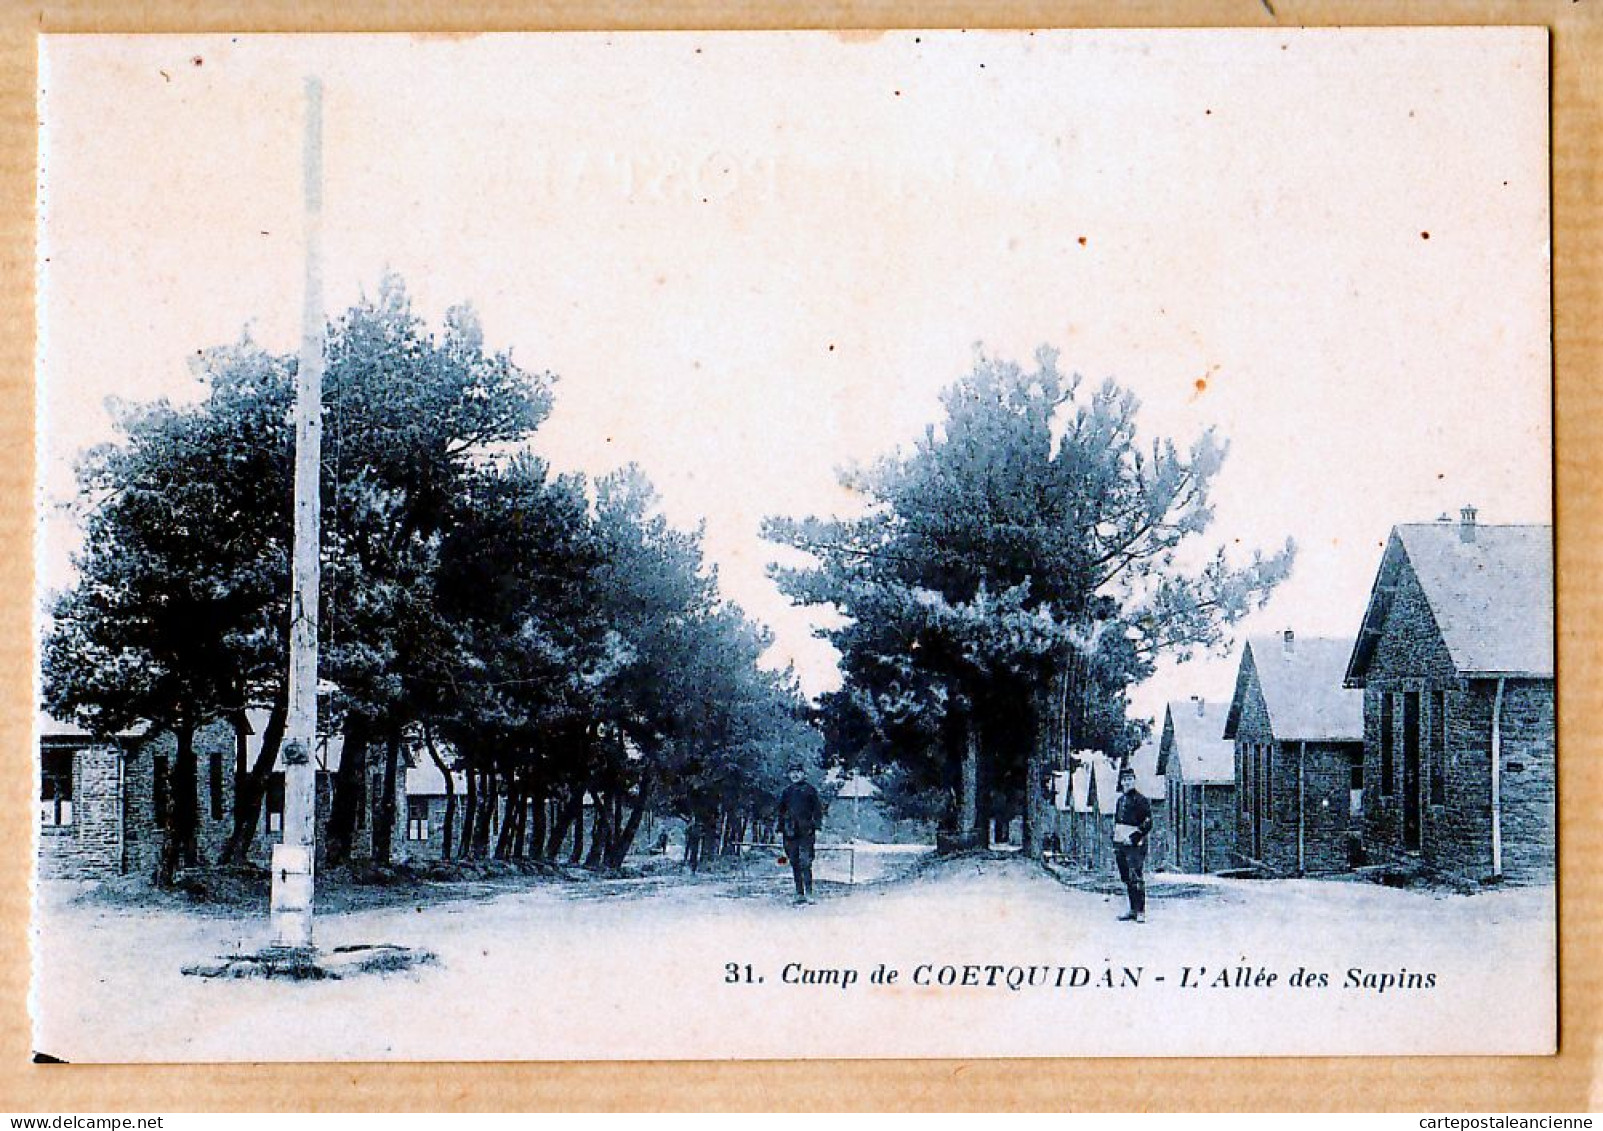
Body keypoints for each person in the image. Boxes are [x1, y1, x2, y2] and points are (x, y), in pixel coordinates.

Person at [776, 761, 823, 904]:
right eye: (792, 772)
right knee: (794, 862)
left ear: (803, 774)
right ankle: (799, 893)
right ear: (789, 775)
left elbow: (818, 811)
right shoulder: (787, 792)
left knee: (806, 862)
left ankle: (809, 893)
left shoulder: (810, 791)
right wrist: (779, 829)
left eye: (798, 772)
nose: (795, 775)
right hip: (790, 832)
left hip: (806, 831)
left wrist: (818, 828)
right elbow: (781, 811)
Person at [1112, 764, 1153, 923]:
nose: (1127, 782)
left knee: (1136, 875)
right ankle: (1132, 909)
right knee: (1126, 877)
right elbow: (1117, 821)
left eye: (1130, 779)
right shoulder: (1120, 800)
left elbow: (1148, 822)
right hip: (1121, 842)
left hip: (1136, 844)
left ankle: (1141, 911)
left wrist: (1135, 837)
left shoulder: (1141, 800)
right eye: (1124, 780)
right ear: (1121, 782)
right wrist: (1116, 840)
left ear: (1134, 781)